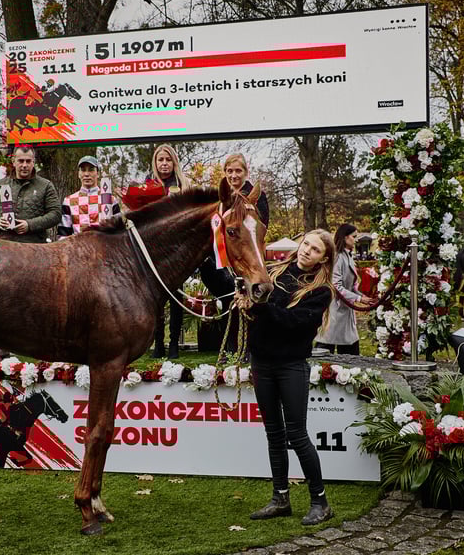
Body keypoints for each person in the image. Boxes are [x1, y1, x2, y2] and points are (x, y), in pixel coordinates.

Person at [237, 229, 335, 526]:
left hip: (291, 365)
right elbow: (258, 310)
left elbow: (294, 324)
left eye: (315, 249)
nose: (307, 251)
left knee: (297, 434)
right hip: (262, 363)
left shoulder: (320, 291)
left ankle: (320, 501)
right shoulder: (273, 272)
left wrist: (261, 306)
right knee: (274, 434)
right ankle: (280, 497)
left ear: (324, 258)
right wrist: (245, 301)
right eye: (306, 244)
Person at [200, 153, 270, 360]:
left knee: (248, 304)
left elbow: (259, 226)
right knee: (227, 302)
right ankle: (229, 346)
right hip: (221, 259)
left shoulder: (255, 196)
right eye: (229, 171)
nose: (233, 175)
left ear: (246, 172)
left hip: (246, 255)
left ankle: (248, 347)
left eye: (238, 170)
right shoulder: (221, 197)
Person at [144, 145, 191, 358]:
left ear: (174, 163)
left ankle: (173, 342)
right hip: (154, 247)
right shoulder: (148, 184)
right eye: (160, 159)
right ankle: (158, 342)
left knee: (175, 295)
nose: (164, 163)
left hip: (177, 248)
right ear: (155, 163)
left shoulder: (183, 185)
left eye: (168, 160)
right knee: (155, 296)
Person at [0, 146, 61, 243]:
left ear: (33, 162)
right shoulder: (0, 185)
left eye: (28, 161)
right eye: (21, 161)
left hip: (35, 246)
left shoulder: (46, 186)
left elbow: (55, 214)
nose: (24, 165)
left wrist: (30, 225)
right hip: (5, 245)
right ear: (13, 161)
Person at [318, 223, 370, 355]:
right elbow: (337, 286)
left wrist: (363, 297)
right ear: (345, 238)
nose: (356, 239)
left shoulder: (348, 256)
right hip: (335, 310)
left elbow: (350, 286)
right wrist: (358, 298)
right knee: (326, 347)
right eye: (354, 236)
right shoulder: (338, 257)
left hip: (345, 310)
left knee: (349, 347)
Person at [57, 155, 121, 238]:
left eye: (91, 170)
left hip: (103, 248)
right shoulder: (69, 201)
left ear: (98, 173)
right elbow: (63, 235)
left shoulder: (110, 199)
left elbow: (120, 231)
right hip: (78, 248)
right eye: (83, 170)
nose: (87, 174)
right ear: (78, 174)